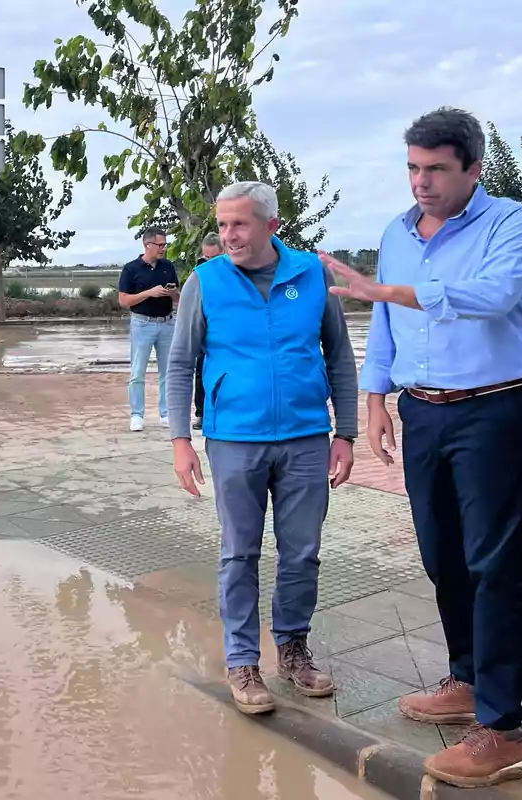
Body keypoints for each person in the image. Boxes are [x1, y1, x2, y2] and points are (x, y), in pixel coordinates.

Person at [324, 107, 522, 789]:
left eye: (436, 169)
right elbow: (385, 324)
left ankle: (503, 731)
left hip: (497, 410)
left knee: (495, 562)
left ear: (472, 169)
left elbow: (496, 294)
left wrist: (386, 289)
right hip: (424, 413)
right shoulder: (396, 230)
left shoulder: (509, 221)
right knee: (443, 554)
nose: (421, 182)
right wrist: (376, 400)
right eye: (413, 168)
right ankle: (469, 677)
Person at [168, 181, 358, 715]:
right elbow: (181, 364)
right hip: (233, 439)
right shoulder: (204, 282)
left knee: (301, 552)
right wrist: (181, 440)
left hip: (304, 438)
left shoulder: (311, 275)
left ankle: (293, 648)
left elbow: (340, 358)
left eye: (239, 224)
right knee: (239, 553)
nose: (227, 235)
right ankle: (242, 659)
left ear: (272, 226)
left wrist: (345, 432)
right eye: (222, 224)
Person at [118, 227, 180, 431]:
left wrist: (172, 294)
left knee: (168, 372)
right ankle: (137, 414)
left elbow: (178, 297)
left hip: (167, 323)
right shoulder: (131, 269)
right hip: (142, 324)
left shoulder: (168, 267)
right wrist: (149, 293)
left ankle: (166, 413)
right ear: (148, 245)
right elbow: (124, 300)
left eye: (165, 244)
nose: (163, 248)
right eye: (160, 245)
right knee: (138, 371)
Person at [192, 233, 225, 430]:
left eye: (214, 258)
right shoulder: (200, 274)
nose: (209, 262)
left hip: (227, 332)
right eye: (206, 258)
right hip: (205, 330)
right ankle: (201, 413)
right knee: (200, 371)